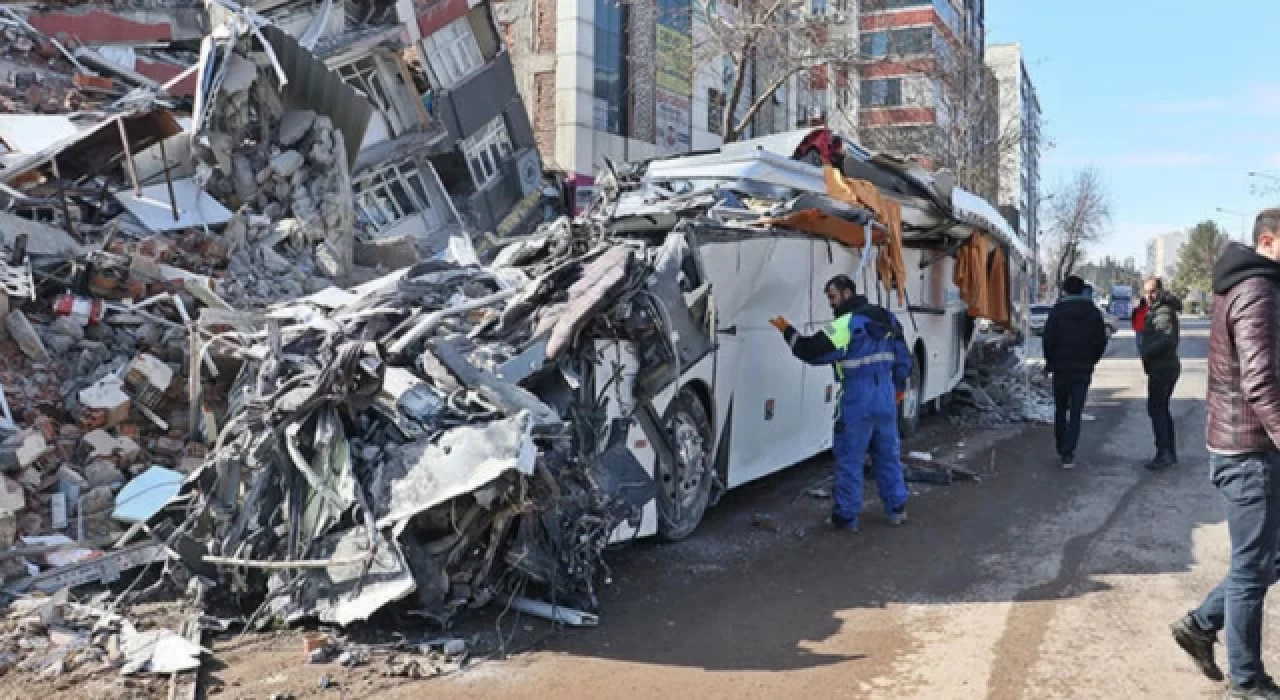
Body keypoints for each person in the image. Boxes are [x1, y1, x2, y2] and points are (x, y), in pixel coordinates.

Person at [1171, 209, 1280, 699]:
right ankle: (1247, 679)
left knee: (1264, 559)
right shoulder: (1257, 290)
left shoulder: (1252, 283)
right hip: (1249, 451)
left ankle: (1201, 623)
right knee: (1252, 567)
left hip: (1248, 444)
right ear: (1268, 240)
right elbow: (1260, 381)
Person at [770, 275, 911, 531]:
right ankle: (897, 509)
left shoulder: (845, 325)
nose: (831, 304)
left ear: (847, 294)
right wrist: (899, 387)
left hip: (857, 400)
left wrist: (786, 330)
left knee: (850, 459)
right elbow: (903, 357)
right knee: (888, 455)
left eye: (832, 297)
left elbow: (810, 350)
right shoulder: (887, 318)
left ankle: (847, 517)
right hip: (886, 397)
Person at [1041, 275, 1108, 469]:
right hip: (1083, 369)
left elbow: (1048, 339)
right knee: (1076, 411)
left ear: (1066, 291)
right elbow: (1101, 341)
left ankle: (1061, 445)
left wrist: (1050, 362)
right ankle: (1069, 453)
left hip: (1062, 368)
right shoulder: (1093, 312)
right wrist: (1091, 360)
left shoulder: (1058, 311)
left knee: (1061, 409)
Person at [1139, 276, 1182, 470]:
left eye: (1152, 292)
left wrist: (1146, 352)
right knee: (1161, 409)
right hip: (1162, 366)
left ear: (1160, 290)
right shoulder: (1157, 309)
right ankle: (1168, 452)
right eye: (1146, 292)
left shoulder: (1163, 311)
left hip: (1163, 367)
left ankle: (1164, 453)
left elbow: (1166, 340)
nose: (1149, 296)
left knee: (1157, 409)